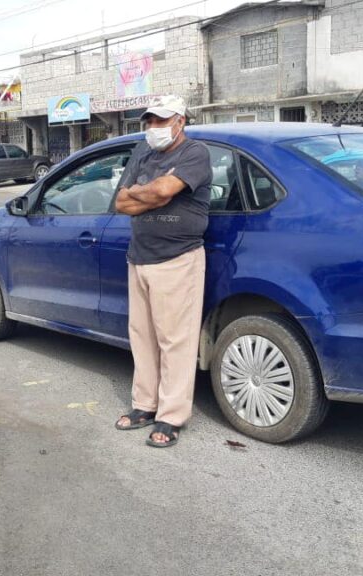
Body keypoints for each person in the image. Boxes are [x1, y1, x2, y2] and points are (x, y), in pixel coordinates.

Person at [113, 95, 212, 448]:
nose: (153, 128)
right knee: (142, 338)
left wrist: (152, 192)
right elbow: (120, 202)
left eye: (161, 120)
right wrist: (150, 194)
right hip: (139, 257)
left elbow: (168, 189)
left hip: (177, 258)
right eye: (150, 121)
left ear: (180, 122)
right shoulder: (142, 153)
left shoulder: (194, 154)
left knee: (175, 342)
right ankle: (144, 405)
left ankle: (171, 416)